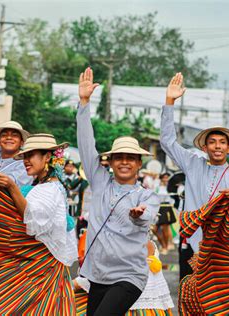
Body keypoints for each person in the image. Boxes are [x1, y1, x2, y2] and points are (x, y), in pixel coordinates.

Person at [160, 72, 229, 279]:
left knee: (219, 301)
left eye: (222, 142)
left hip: (224, 246)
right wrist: (169, 102)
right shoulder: (193, 164)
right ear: (205, 147)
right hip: (192, 241)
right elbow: (167, 142)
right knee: (188, 296)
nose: (217, 146)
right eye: (212, 142)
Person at [76, 67, 160, 315]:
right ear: (110, 162)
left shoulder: (147, 195)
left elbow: (149, 214)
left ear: (138, 164)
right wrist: (84, 103)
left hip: (129, 276)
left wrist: (139, 214)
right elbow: (85, 144)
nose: (124, 162)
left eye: (131, 158)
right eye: (119, 157)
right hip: (97, 274)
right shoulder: (100, 181)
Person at [0, 133, 77, 267]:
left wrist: (12, 187)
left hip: (42, 264)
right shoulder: (43, 184)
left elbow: (32, 219)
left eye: (31, 155)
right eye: (25, 156)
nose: (26, 160)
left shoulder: (50, 189)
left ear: (48, 157)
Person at [153, 172, 177, 254]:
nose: (165, 179)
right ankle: (164, 245)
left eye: (167, 177)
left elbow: (173, 198)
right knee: (154, 229)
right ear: (161, 178)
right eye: (164, 177)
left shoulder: (171, 187)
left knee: (165, 228)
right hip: (158, 207)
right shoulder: (157, 187)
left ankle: (166, 246)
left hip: (167, 207)